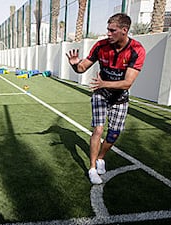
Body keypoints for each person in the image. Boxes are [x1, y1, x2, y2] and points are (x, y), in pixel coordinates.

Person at [66, 13, 145, 185]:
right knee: (98, 130)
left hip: (120, 98)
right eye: (107, 30)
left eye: (112, 30)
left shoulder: (136, 51)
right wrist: (74, 64)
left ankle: (101, 157)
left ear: (124, 30)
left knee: (114, 133)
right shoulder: (100, 46)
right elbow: (81, 68)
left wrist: (104, 83)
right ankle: (92, 168)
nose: (108, 34)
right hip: (100, 94)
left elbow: (127, 83)